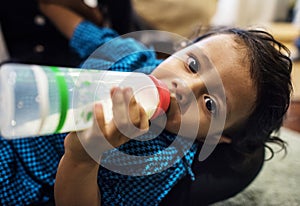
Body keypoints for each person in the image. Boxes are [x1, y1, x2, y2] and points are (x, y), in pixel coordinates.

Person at [0, 3, 292, 206]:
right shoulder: (136, 58)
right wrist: (51, 6)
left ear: (217, 137)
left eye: (209, 104)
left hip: (19, 176)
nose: (183, 88)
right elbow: (87, 35)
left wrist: (83, 160)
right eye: (192, 64)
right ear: (180, 49)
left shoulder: (160, 164)